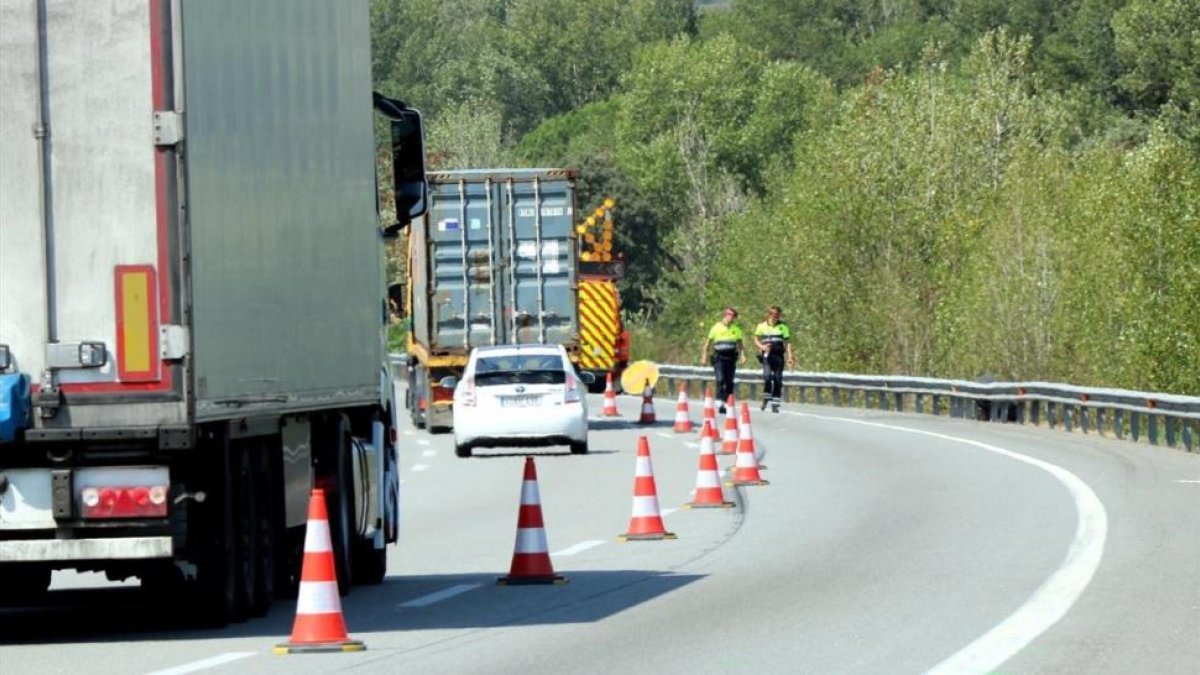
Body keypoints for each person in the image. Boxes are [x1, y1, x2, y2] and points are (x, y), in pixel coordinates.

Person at [699, 307, 746, 414]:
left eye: (734, 316)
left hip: (731, 358)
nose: (733, 318)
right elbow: (708, 343)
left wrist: (743, 355)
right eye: (731, 316)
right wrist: (704, 356)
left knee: (730, 381)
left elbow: (740, 344)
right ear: (726, 315)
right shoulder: (716, 327)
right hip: (719, 357)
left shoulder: (736, 329)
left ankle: (727, 401)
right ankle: (719, 401)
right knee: (720, 379)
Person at [753, 305, 794, 413]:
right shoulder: (761, 326)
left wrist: (790, 356)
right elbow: (756, 340)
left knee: (778, 378)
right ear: (769, 314)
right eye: (773, 314)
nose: (775, 317)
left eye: (778, 315)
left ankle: (775, 403)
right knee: (767, 376)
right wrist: (762, 347)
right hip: (767, 355)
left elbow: (787, 342)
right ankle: (766, 396)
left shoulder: (783, 327)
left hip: (778, 355)